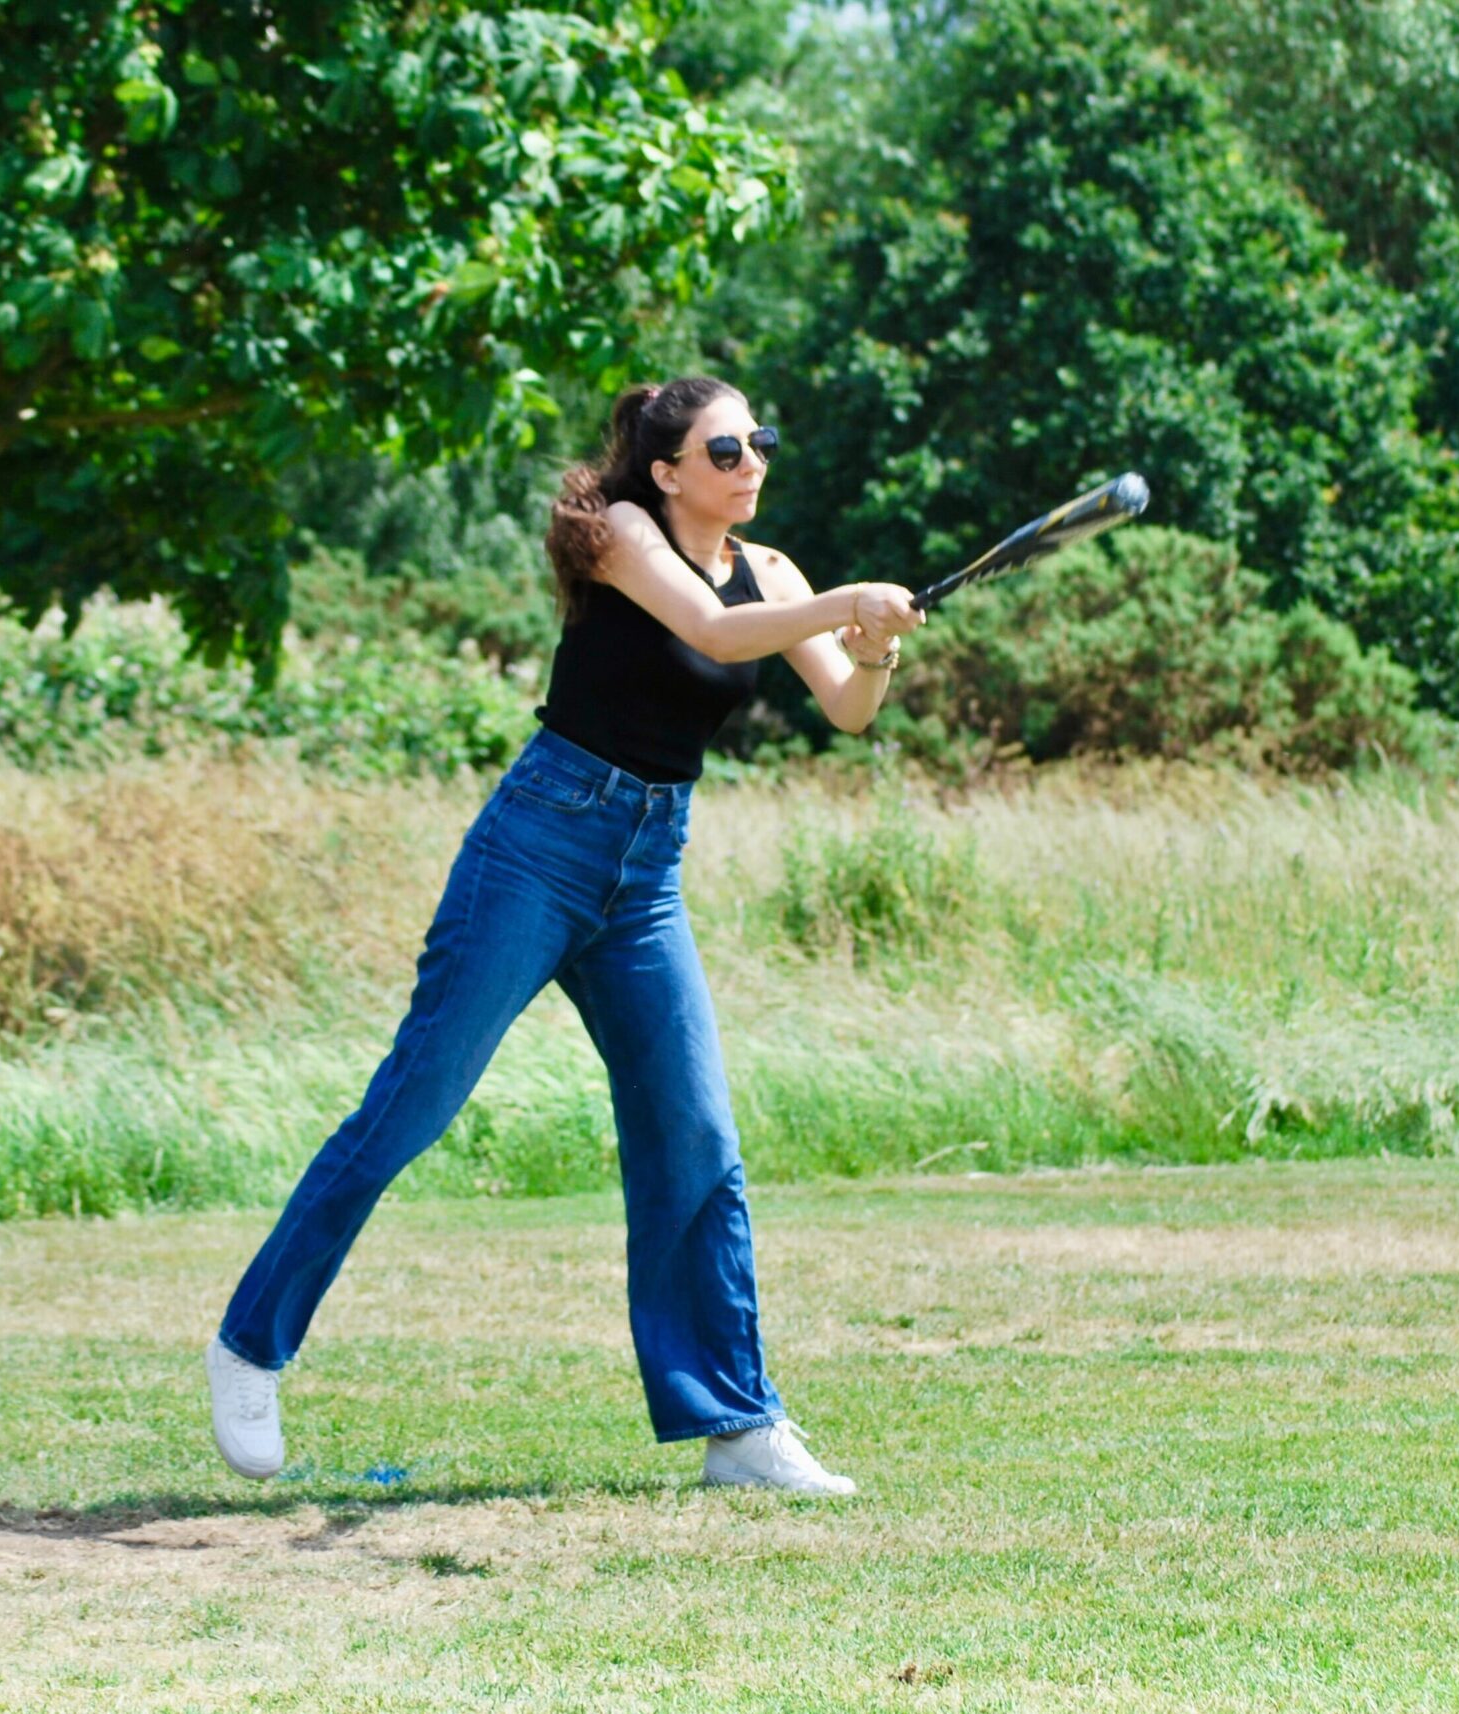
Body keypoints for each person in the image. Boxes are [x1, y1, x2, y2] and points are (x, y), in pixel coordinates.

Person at [205, 376, 924, 1494]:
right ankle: (251, 1344)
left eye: (759, 441)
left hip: (648, 870)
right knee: (414, 1104)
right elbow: (712, 631)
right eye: (725, 448)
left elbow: (847, 709)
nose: (751, 461)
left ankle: (738, 1427)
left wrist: (871, 644)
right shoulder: (623, 532)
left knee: (694, 1134)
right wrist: (849, 600)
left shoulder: (776, 572)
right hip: (539, 847)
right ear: (667, 470)